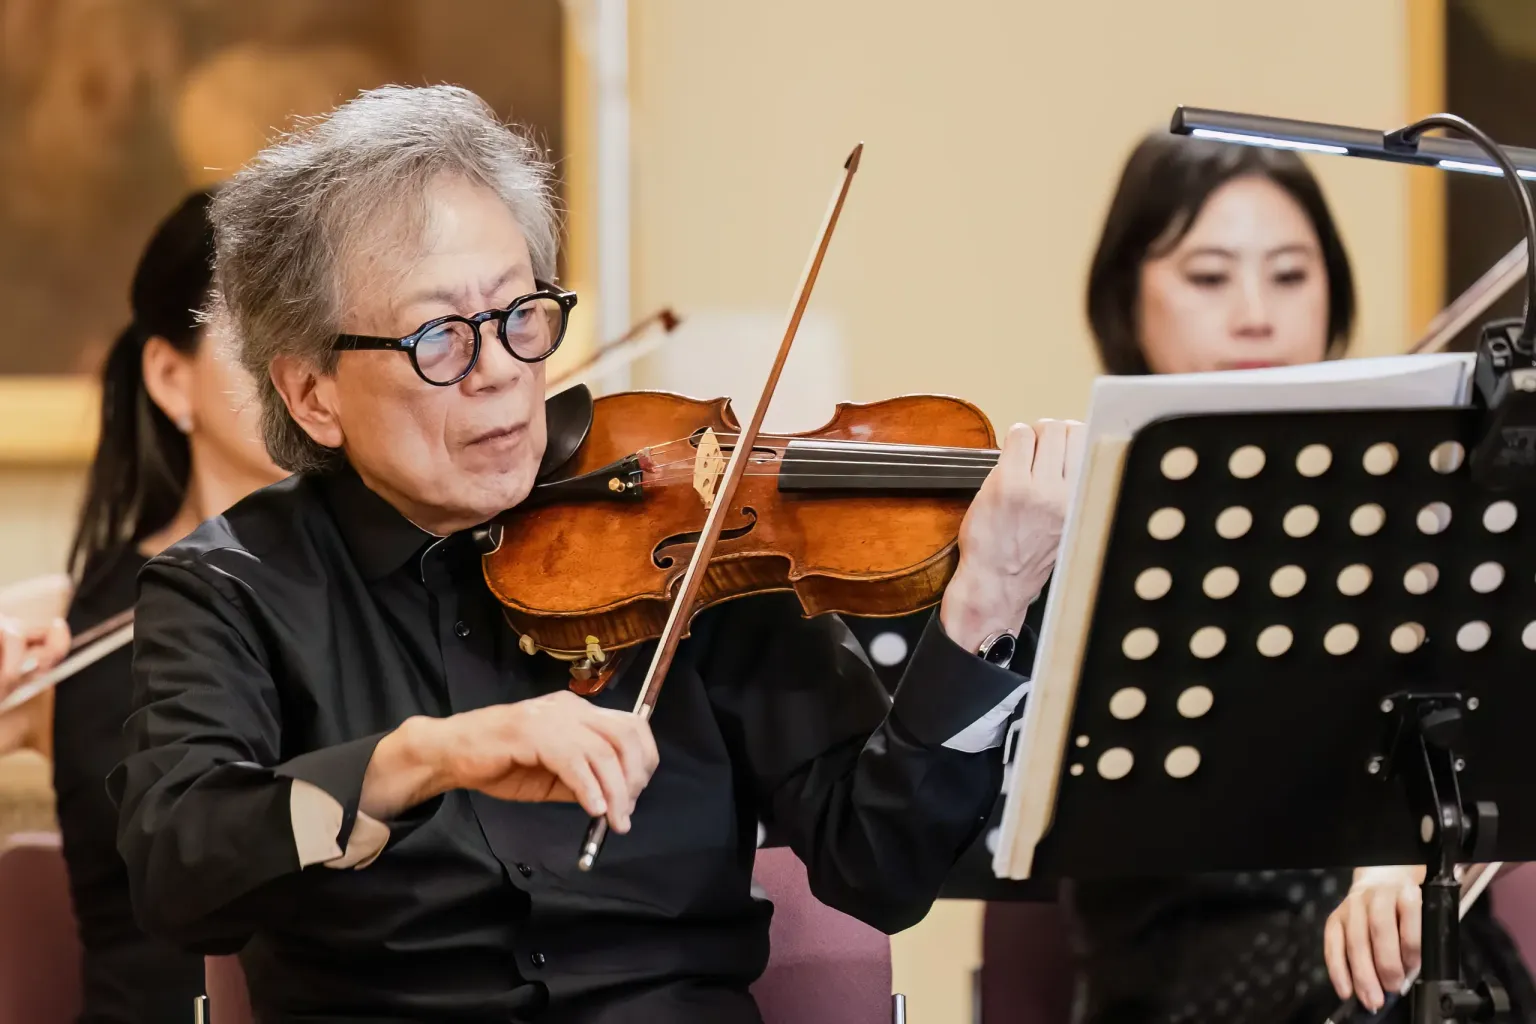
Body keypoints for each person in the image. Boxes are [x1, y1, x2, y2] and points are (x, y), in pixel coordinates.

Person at [107, 84, 1081, 1024]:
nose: (500, 371)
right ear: (313, 394)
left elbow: (883, 864)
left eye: (519, 315)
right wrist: (424, 757)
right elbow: (178, 867)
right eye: (439, 338)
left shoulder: (690, 531)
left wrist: (985, 607)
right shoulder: (229, 587)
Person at [1057, 131, 1535, 1024]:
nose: (1256, 316)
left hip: (1432, 971)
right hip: (1186, 977)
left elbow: (1490, 744)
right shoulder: (1074, 529)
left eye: (1289, 275)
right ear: (1126, 297)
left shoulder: (1426, 516)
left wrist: (1409, 846)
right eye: (1209, 277)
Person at [55, 189, 287, 1023]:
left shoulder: (394, 589)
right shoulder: (63, 623)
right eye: (258, 332)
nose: (295, 368)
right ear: (167, 375)